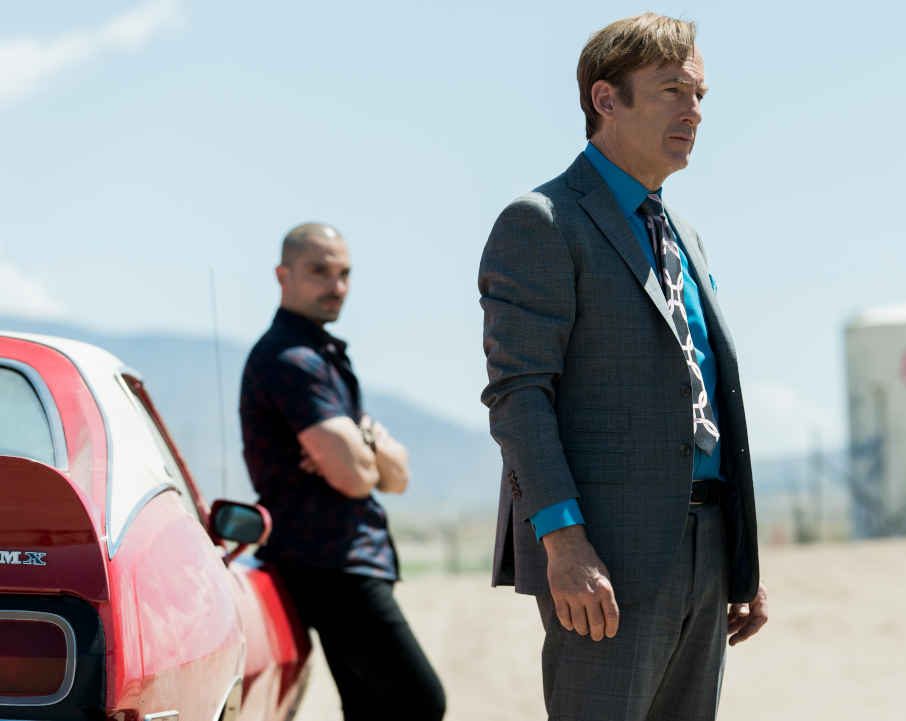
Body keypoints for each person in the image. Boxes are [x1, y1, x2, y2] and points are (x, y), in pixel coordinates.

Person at [478, 13, 767, 721]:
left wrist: (740, 557)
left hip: (707, 551)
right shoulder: (542, 221)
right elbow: (520, 397)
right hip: (604, 558)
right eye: (672, 91)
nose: (693, 112)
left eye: (699, 95)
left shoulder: (683, 233)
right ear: (606, 99)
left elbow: (705, 394)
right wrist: (565, 541)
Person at [240, 222, 445, 721]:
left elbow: (398, 478)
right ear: (282, 275)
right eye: (319, 272)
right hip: (329, 562)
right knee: (419, 702)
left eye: (345, 274)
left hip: (345, 558)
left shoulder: (319, 356)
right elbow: (355, 478)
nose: (337, 287)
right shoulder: (291, 360)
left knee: (372, 709)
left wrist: (360, 445)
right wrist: (364, 450)